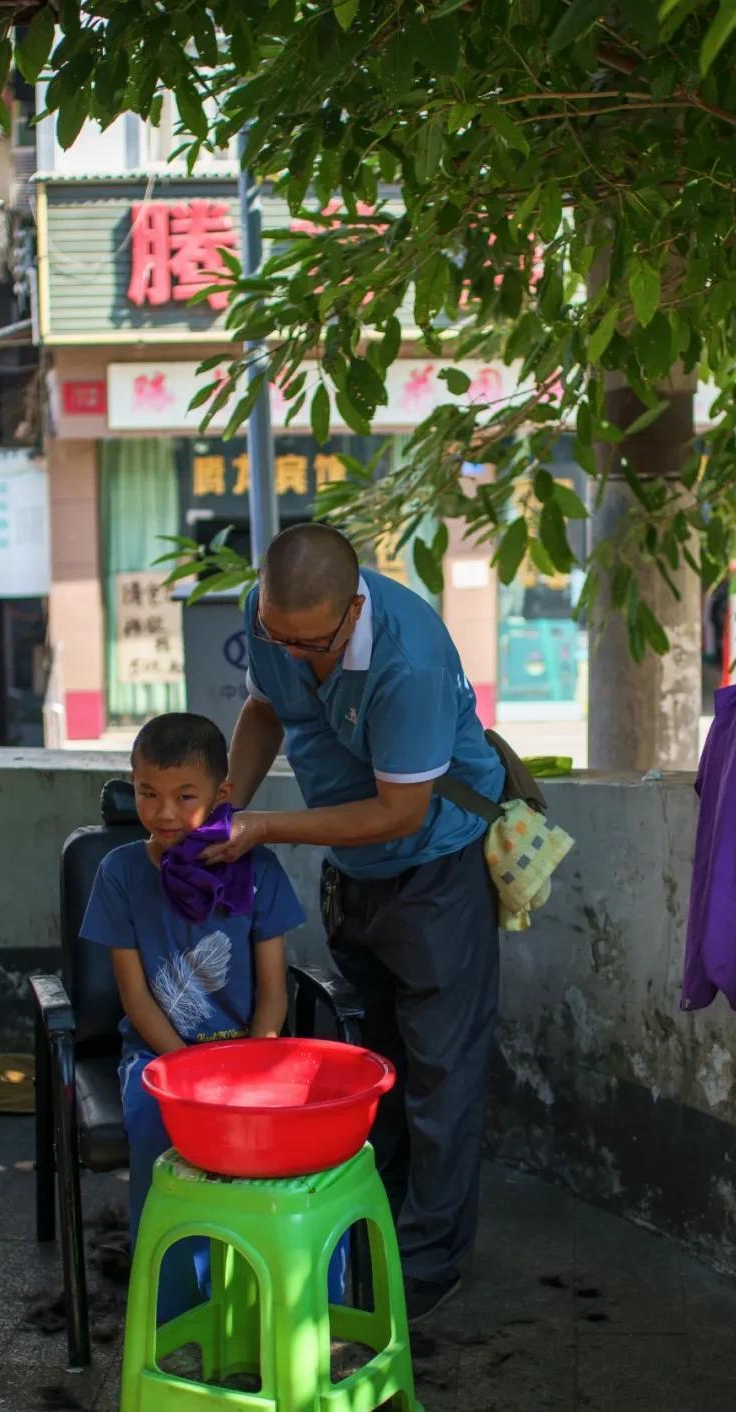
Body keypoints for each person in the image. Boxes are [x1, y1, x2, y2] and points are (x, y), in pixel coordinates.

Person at [205, 523, 505, 1322]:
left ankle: (430, 1265)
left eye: (312, 642)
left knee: (443, 1072)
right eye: (277, 634)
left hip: (434, 869)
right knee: (378, 1065)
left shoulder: (407, 658)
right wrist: (229, 796)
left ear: (351, 609)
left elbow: (399, 810)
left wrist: (265, 829)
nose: (293, 652)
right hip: (355, 874)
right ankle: (379, 1229)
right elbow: (268, 705)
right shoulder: (270, 617)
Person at [80, 712, 305, 1321]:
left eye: (185, 796)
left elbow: (272, 992)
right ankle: (173, 1302)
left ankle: (279, 1293)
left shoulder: (255, 869)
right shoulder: (120, 873)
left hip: (250, 1056)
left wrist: (257, 1060)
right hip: (160, 1059)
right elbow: (135, 997)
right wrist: (186, 1074)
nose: (164, 813)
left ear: (222, 795)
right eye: (148, 793)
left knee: (296, 1146)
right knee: (157, 1126)